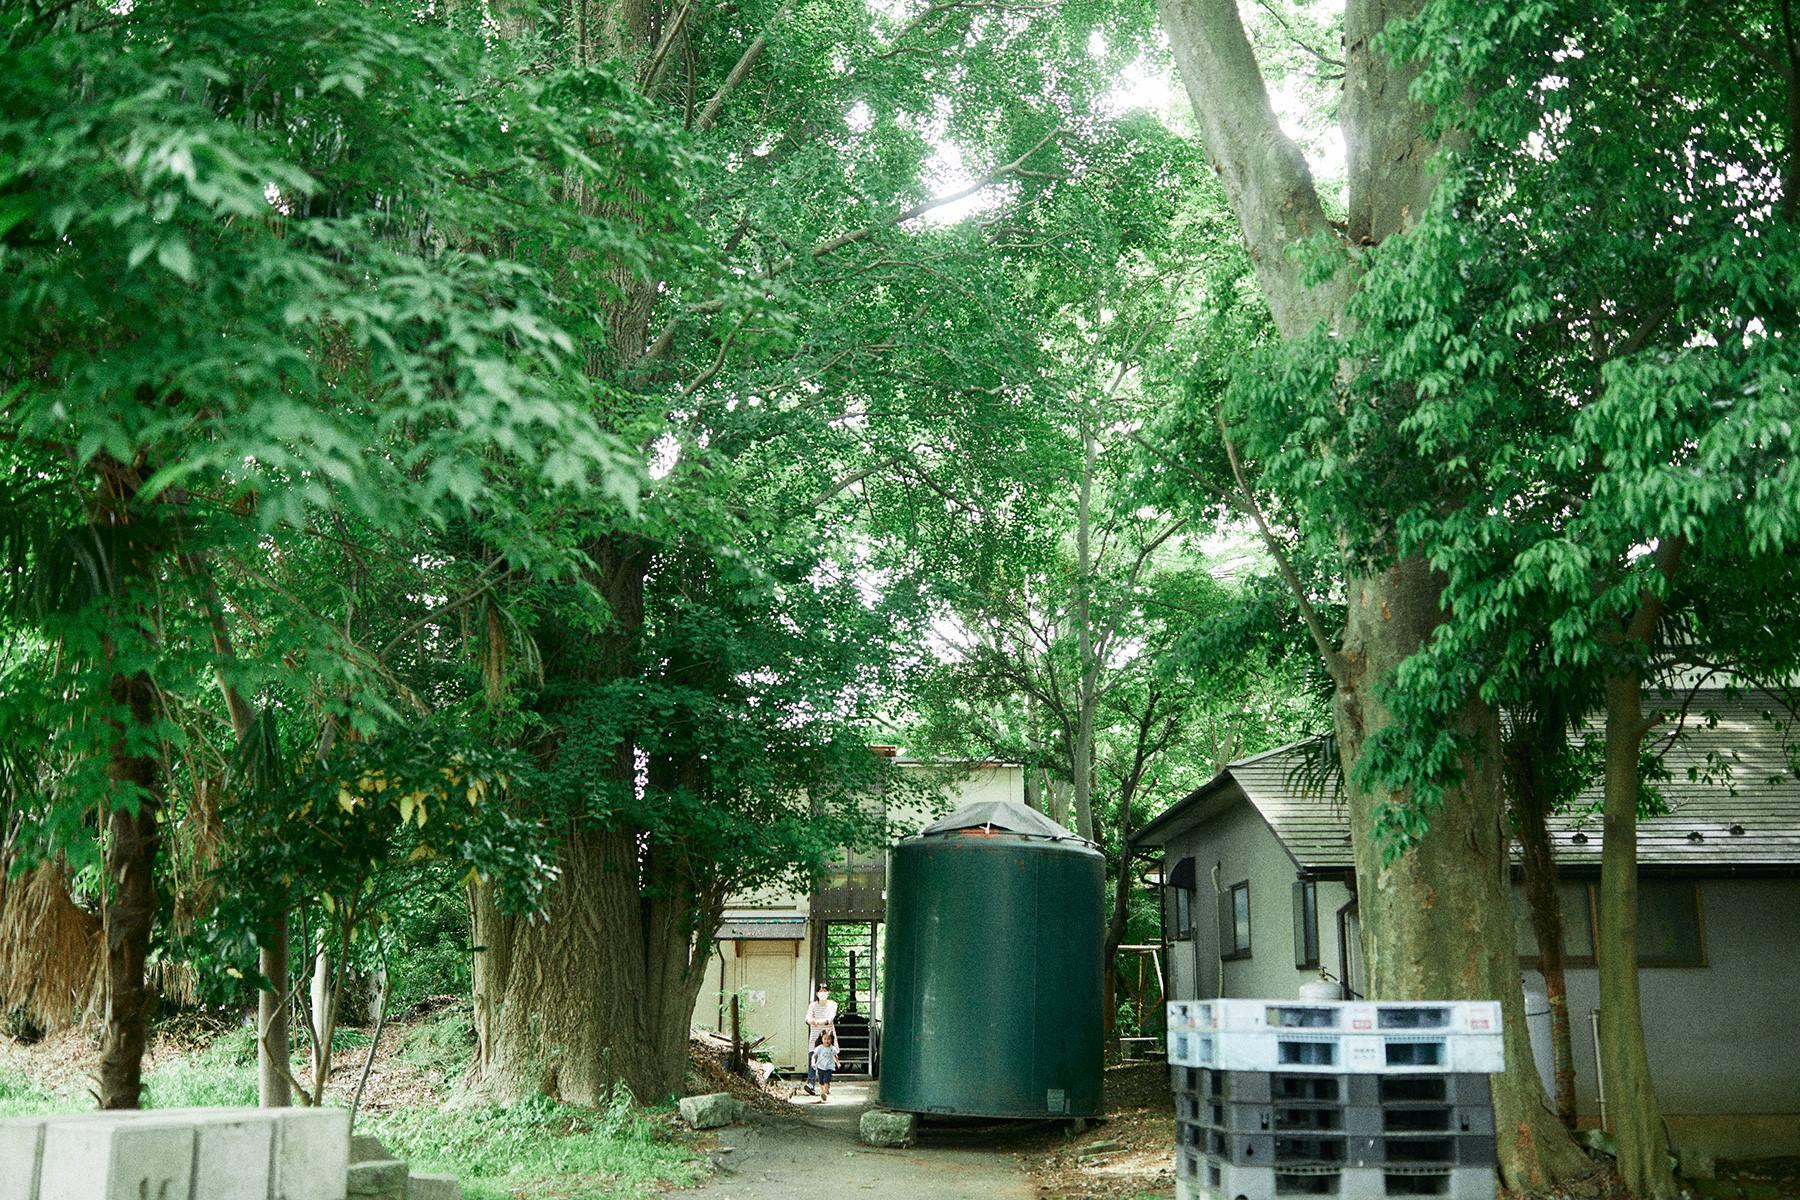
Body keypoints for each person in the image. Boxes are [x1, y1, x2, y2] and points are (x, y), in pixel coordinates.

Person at [803, 983, 837, 1094]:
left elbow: (830, 1019)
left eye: (825, 990)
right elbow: (807, 1018)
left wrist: (817, 1021)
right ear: (817, 993)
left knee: (827, 1061)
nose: (823, 993)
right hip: (815, 1036)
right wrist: (811, 1020)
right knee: (813, 1059)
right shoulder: (812, 1005)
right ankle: (811, 1083)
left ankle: (826, 1086)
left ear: (828, 993)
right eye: (820, 991)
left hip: (827, 1038)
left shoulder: (832, 1005)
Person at [809, 1030, 839, 1103]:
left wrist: (838, 1063)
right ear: (821, 1039)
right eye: (825, 1039)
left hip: (829, 1067)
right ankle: (824, 1091)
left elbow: (835, 1056)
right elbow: (814, 1056)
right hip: (820, 1067)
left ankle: (824, 1093)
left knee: (826, 1081)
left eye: (828, 1039)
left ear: (831, 1039)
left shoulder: (832, 1048)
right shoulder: (819, 1048)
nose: (826, 1041)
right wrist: (813, 1062)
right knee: (821, 1081)